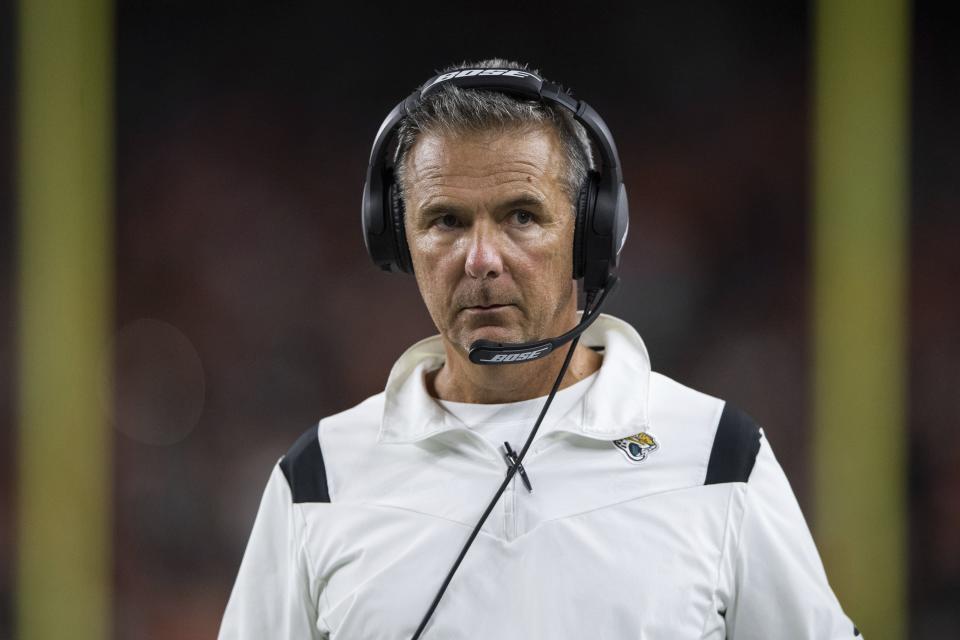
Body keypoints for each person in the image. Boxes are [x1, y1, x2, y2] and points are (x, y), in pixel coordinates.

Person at [219, 59, 861, 639]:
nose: (481, 260)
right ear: (397, 241)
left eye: (521, 216)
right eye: (445, 221)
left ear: (591, 233)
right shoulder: (320, 477)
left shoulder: (717, 454)